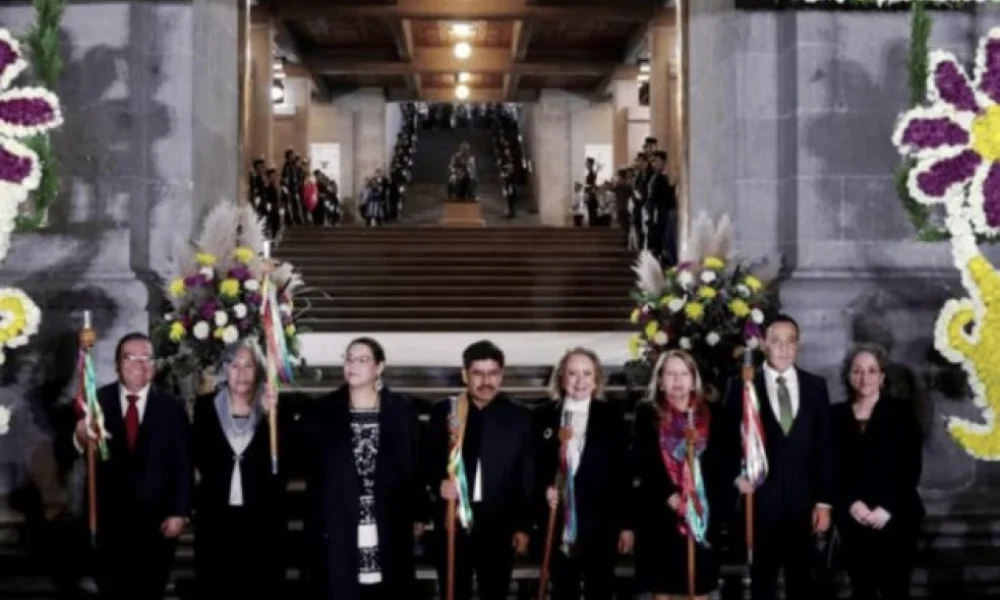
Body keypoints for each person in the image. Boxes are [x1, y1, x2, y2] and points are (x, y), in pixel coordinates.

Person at [275, 337, 422, 600]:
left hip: (387, 520)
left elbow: (414, 467)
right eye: (349, 359)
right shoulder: (322, 411)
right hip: (337, 521)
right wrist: (273, 413)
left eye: (362, 360)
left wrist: (418, 512)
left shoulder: (401, 411)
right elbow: (295, 454)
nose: (352, 365)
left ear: (379, 367)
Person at [63, 332, 193, 600]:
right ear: (117, 365)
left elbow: (184, 464)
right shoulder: (96, 403)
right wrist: (80, 436)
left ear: (154, 365)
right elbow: (64, 453)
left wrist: (180, 513)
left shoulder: (172, 408)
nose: (139, 365)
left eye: (146, 358)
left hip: (157, 528)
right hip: (108, 526)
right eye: (130, 358)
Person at [726, 314, 834, 600]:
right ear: (764, 344)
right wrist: (736, 477)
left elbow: (824, 447)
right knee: (762, 584)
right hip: (760, 505)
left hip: (803, 506)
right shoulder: (743, 386)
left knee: (803, 583)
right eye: (776, 341)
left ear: (798, 345)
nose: (784, 348)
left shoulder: (816, 387)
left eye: (790, 341)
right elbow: (725, 443)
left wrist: (824, 502)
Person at [424, 340, 534, 600]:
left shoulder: (520, 417)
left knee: (495, 592)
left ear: (501, 374)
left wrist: (523, 526)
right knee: (454, 591)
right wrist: (437, 483)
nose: (486, 381)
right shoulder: (445, 411)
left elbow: (526, 476)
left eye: (493, 373)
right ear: (465, 375)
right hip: (452, 521)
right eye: (478, 373)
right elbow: (425, 461)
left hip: (499, 525)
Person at [534, 348, 633, 600]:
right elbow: (532, 466)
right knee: (562, 589)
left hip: (601, 524)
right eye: (573, 373)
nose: (580, 381)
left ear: (597, 379)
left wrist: (626, 525)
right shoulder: (542, 415)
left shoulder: (613, 416)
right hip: (558, 523)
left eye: (587, 374)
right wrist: (544, 489)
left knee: (600, 590)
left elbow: (623, 474)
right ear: (561, 378)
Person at [191, 341, 284, 598]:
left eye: (248, 365)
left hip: (261, 522)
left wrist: (271, 418)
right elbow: (199, 457)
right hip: (216, 520)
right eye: (234, 365)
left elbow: (284, 463)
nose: (241, 373)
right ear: (225, 370)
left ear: (259, 371)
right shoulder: (205, 407)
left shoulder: (275, 409)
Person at [832, 343, 924, 599]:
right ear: (848, 376)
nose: (865, 377)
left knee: (896, 590)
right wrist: (851, 504)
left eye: (872, 371)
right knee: (862, 590)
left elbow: (910, 467)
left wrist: (887, 507)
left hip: (897, 517)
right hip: (854, 518)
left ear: (882, 377)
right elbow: (830, 468)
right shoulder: (834, 416)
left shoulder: (902, 413)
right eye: (857, 371)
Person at [634, 350, 722, 600]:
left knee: (699, 587)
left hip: (701, 512)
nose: (677, 380)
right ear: (660, 381)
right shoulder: (647, 413)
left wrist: (698, 500)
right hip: (662, 513)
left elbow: (721, 462)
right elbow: (644, 461)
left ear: (694, 380)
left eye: (684, 374)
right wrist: (671, 496)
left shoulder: (713, 414)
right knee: (664, 589)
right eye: (670, 374)